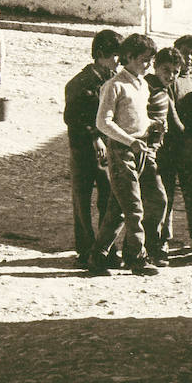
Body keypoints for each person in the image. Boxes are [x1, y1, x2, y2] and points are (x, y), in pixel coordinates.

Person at [88, 33, 165, 276]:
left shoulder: (142, 84)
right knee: (133, 208)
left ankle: (98, 256)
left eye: (150, 60)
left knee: (126, 207)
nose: (148, 65)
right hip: (122, 151)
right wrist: (130, 141)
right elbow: (103, 122)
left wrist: (153, 125)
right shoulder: (114, 85)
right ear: (128, 57)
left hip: (142, 149)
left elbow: (136, 116)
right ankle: (137, 257)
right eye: (143, 60)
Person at [62, 28, 123, 267]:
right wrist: (94, 137)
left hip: (107, 150)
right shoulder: (79, 83)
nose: (119, 61)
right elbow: (72, 118)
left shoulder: (113, 81)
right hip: (83, 149)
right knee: (82, 199)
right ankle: (85, 249)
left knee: (109, 197)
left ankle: (106, 247)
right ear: (100, 54)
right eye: (115, 55)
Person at [161, 35, 192, 261]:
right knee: (165, 195)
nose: (188, 58)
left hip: (189, 149)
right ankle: (162, 241)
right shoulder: (168, 83)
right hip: (169, 147)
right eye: (184, 53)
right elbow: (171, 116)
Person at [142, 47, 184, 265]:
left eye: (176, 72)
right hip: (142, 151)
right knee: (153, 202)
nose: (171, 75)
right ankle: (148, 249)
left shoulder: (164, 90)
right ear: (155, 67)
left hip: (160, 153)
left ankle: (155, 245)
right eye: (166, 69)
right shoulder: (144, 86)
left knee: (158, 201)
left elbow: (176, 123)